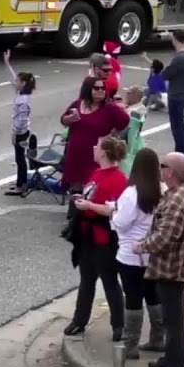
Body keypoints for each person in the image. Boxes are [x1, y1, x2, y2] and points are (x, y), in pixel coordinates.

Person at [134, 152, 184, 367]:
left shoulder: (176, 201)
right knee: (173, 316)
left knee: (172, 319)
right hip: (178, 264)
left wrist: (141, 246)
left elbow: (165, 238)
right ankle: (171, 357)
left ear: (170, 172)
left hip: (171, 267)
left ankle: (175, 363)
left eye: (162, 165)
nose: (159, 169)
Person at [67, 136, 129, 338]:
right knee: (86, 280)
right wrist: (81, 200)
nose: (94, 147)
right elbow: (91, 195)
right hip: (87, 237)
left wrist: (89, 206)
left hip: (104, 239)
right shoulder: (96, 173)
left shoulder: (119, 179)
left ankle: (118, 325)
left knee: (109, 281)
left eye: (97, 145)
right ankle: (79, 320)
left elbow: (116, 210)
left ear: (103, 152)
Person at [111, 148, 164, 358]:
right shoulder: (163, 189)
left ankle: (130, 344)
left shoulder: (132, 194)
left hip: (130, 254)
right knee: (153, 295)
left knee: (132, 298)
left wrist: (113, 214)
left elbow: (120, 223)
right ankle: (158, 338)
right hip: (152, 252)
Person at [61, 76, 131, 191]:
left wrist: (112, 135)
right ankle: (75, 208)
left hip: (94, 156)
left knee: (91, 188)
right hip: (75, 155)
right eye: (97, 88)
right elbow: (63, 120)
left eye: (103, 88)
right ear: (88, 89)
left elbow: (125, 121)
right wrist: (69, 119)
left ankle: (88, 208)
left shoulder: (109, 108)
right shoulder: (78, 104)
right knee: (75, 189)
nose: (101, 91)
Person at [4, 50, 36, 196]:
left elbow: (22, 121)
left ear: (23, 84)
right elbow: (12, 77)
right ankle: (21, 183)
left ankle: (21, 185)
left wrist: (14, 133)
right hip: (22, 132)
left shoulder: (23, 100)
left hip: (21, 133)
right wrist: (7, 63)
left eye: (17, 81)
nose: (14, 82)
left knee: (20, 160)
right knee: (19, 159)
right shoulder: (22, 94)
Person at [159, 30, 184, 155]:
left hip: (176, 95)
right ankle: (182, 151)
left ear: (175, 39)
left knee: (177, 127)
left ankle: (180, 152)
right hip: (182, 93)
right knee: (179, 126)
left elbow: (166, 74)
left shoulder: (180, 58)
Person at [120, 87, 147, 175]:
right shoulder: (133, 107)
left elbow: (132, 130)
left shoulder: (137, 110)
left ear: (136, 97)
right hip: (132, 139)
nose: (126, 96)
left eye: (129, 94)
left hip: (131, 141)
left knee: (127, 163)